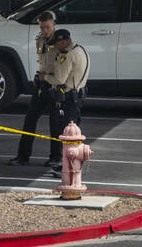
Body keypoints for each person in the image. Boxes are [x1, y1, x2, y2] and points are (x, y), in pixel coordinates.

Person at [8, 11, 60, 168]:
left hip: (56, 86)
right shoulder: (39, 40)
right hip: (42, 85)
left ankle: (55, 158)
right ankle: (23, 157)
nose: (45, 30)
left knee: (55, 124)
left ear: (54, 25)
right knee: (29, 119)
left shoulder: (61, 42)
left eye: (48, 27)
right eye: (42, 27)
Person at [44, 27, 89, 176]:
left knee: (66, 134)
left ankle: (68, 168)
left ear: (63, 42)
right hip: (78, 95)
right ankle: (66, 165)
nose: (55, 47)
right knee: (72, 133)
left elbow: (59, 79)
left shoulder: (67, 55)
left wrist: (43, 77)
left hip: (68, 97)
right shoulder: (81, 49)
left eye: (57, 44)